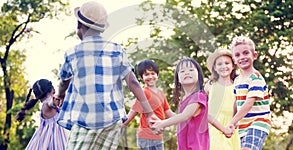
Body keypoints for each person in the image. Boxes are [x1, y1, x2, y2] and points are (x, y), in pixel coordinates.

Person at [55, 1, 159, 149]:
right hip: (111, 119)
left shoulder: (73, 53)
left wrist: (59, 94)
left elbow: (64, 81)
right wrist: (149, 113)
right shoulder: (116, 50)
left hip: (84, 119)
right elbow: (133, 82)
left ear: (79, 25)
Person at [151, 57, 209, 150]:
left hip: (196, 147)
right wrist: (160, 124)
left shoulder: (199, 96)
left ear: (199, 75)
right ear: (178, 79)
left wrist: (162, 123)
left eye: (191, 70)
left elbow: (184, 116)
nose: (187, 72)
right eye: (182, 71)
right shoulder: (184, 100)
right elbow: (181, 120)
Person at [228, 35, 271, 150]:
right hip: (243, 126)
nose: (242, 57)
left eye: (246, 53)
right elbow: (237, 101)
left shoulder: (255, 78)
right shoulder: (237, 80)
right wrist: (234, 122)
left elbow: (248, 103)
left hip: (258, 123)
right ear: (234, 60)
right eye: (237, 55)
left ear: (254, 55)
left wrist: (232, 121)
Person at [122, 60, 175, 150]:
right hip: (145, 137)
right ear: (142, 78)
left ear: (157, 75)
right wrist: (120, 126)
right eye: (146, 74)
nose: (150, 76)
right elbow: (132, 113)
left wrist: (185, 118)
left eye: (152, 73)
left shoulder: (161, 93)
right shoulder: (143, 93)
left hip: (158, 136)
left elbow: (169, 113)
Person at [15, 79, 67, 150]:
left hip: (46, 140)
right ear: (53, 90)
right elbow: (50, 103)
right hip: (54, 142)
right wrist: (53, 102)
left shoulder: (48, 104)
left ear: (36, 97)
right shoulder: (46, 106)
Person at [205, 48, 240, 150]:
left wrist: (233, 125)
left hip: (231, 127)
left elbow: (237, 109)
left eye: (227, 63)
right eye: (219, 64)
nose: (223, 66)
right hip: (213, 128)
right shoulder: (210, 85)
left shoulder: (237, 86)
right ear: (215, 68)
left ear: (233, 66)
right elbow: (204, 108)